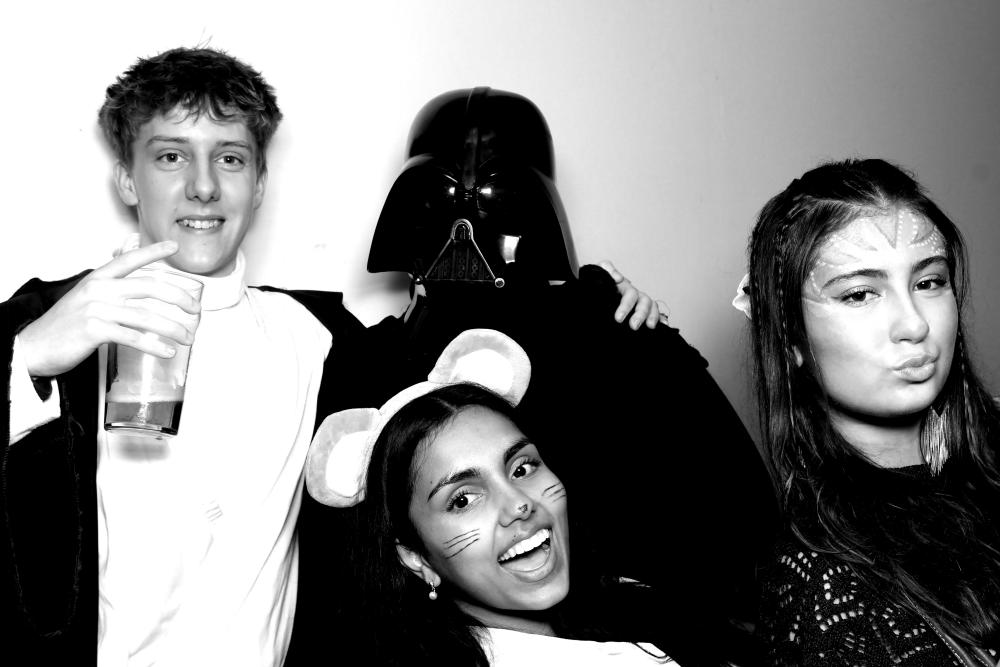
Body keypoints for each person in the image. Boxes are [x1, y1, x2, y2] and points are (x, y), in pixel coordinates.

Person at [0, 47, 657, 665]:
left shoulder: (315, 334)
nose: (203, 187)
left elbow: (470, 397)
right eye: (171, 156)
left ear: (259, 181)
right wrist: (24, 357)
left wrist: (599, 310)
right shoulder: (49, 318)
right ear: (127, 178)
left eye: (230, 158)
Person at [740, 158, 1000, 665]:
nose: (914, 324)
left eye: (929, 282)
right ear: (791, 337)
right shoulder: (824, 586)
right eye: (860, 294)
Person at [327, 378, 684, 665]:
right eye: (463, 500)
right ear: (416, 557)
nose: (519, 504)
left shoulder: (624, 596)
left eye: (522, 468)